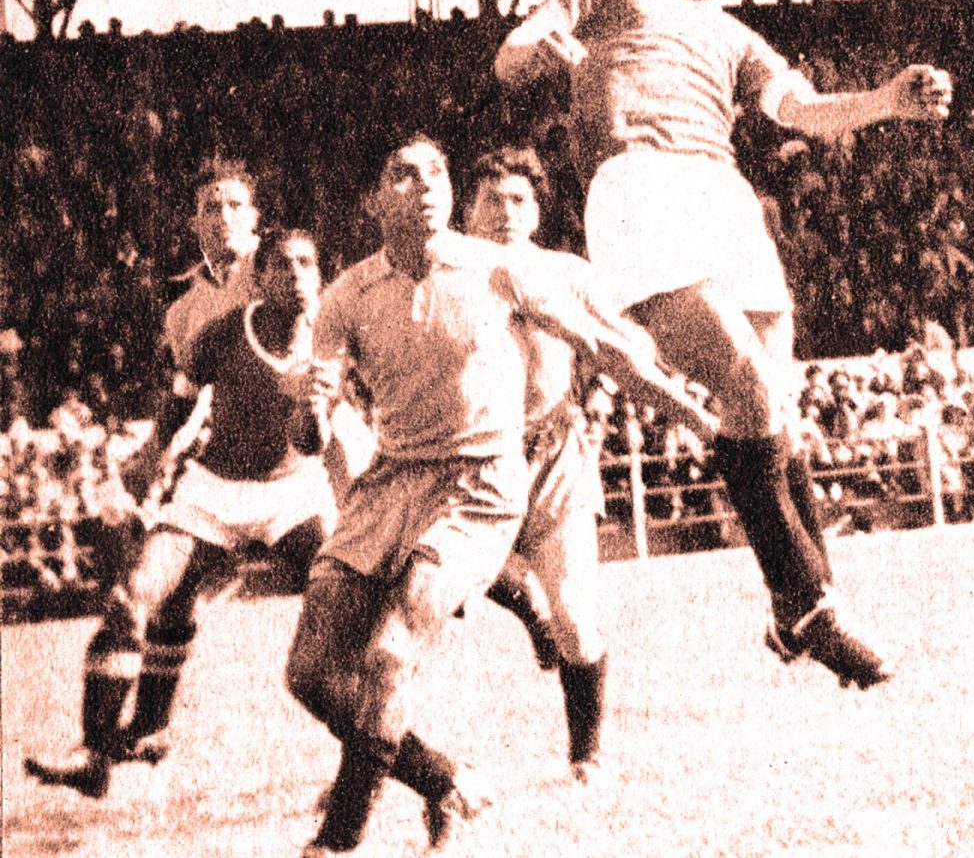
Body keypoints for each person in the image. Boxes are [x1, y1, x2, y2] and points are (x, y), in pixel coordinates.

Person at [495, 0, 954, 689]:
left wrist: (888, 100)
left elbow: (803, 111)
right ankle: (808, 606)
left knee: (774, 408)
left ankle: (803, 605)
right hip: (639, 182)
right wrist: (539, 49)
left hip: (726, 197)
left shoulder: (739, 36)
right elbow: (514, 50)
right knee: (743, 386)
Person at [284, 135, 711, 855]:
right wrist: (311, 406)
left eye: (436, 173)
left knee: (392, 656)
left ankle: (335, 843)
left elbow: (603, 345)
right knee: (311, 676)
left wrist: (694, 412)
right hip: (391, 483)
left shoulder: (497, 268)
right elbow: (305, 434)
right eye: (403, 175)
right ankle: (442, 777)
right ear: (371, 201)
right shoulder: (345, 296)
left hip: (479, 482)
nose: (425, 186)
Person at [25, 226, 337, 800]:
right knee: (132, 599)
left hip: (294, 492)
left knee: (348, 617)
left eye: (307, 264)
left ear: (320, 275)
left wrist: (310, 406)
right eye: (283, 266)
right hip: (213, 490)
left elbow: (316, 441)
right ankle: (95, 755)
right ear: (260, 279)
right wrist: (151, 464)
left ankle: (357, 773)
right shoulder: (222, 332)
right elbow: (179, 403)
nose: (296, 276)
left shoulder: (330, 342)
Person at [464, 145, 617, 783]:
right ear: (466, 208)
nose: (504, 211)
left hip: (555, 449)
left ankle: (587, 755)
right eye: (491, 198)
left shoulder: (569, 272)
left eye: (518, 199)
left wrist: (601, 401)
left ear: (538, 209)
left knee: (576, 616)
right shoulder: (446, 273)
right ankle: (524, 604)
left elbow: (617, 347)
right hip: (469, 455)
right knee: (421, 590)